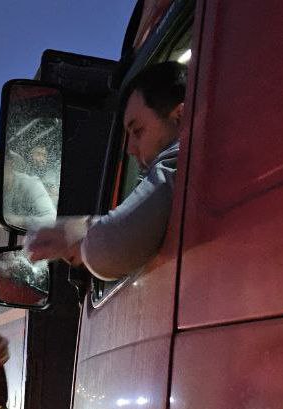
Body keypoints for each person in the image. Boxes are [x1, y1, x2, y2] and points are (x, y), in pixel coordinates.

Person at [25, 61, 186, 280]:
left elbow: (111, 248)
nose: (130, 149)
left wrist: (71, 235)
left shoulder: (184, 155)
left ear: (180, 116)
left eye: (138, 131)